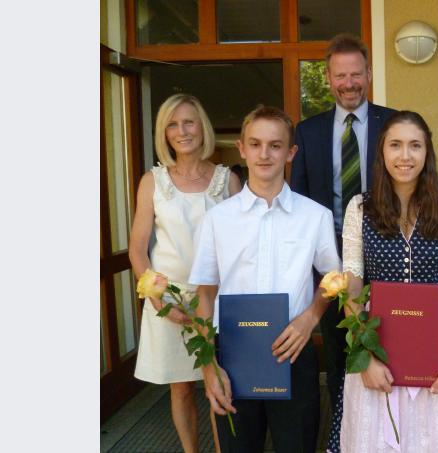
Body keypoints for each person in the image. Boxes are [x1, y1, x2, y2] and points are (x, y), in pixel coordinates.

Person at [188, 105, 341, 453]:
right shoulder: (218, 219)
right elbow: (205, 295)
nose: (264, 154)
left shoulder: (314, 216)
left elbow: (333, 279)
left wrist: (311, 317)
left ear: (290, 152)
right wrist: (209, 368)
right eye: (255, 144)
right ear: (241, 148)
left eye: (275, 145)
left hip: (294, 350)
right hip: (232, 357)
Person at [337, 110, 438, 452]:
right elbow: (351, 285)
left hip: (436, 340)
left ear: (427, 152)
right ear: (382, 152)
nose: (405, 156)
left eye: (415, 145)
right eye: (396, 145)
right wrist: (364, 354)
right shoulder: (360, 208)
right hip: (376, 338)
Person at [290, 32, 396, 449]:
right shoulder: (308, 131)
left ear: (369, 75)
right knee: (338, 357)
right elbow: (298, 202)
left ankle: (387, 436)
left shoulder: (394, 122)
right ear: (328, 78)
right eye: (340, 76)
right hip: (331, 264)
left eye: (356, 74)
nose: (349, 83)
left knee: (392, 348)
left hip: (387, 256)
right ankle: (343, 436)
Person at [130, 93, 241, 453]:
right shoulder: (153, 181)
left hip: (219, 299)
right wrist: (161, 301)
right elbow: (138, 248)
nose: (182, 131)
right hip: (169, 299)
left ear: (202, 126)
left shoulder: (228, 181)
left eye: (189, 121)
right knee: (180, 386)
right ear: (164, 132)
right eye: (173, 124)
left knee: (222, 382)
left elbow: (241, 248)